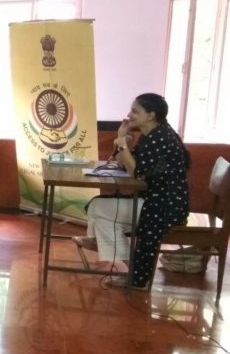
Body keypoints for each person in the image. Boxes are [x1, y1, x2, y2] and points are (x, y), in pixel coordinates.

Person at [73, 93, 190, 290]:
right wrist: (122, 143)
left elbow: (135, 172)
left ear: (151, 115)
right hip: (154, 200)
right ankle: (132, 270)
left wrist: (121, 141)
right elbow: (124, 163)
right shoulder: (152, 134)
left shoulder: (159, 138)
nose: (129, 115)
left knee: (98, 207)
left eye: (135, 111)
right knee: (100, 210)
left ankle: (128, 267)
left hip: (163, 207)